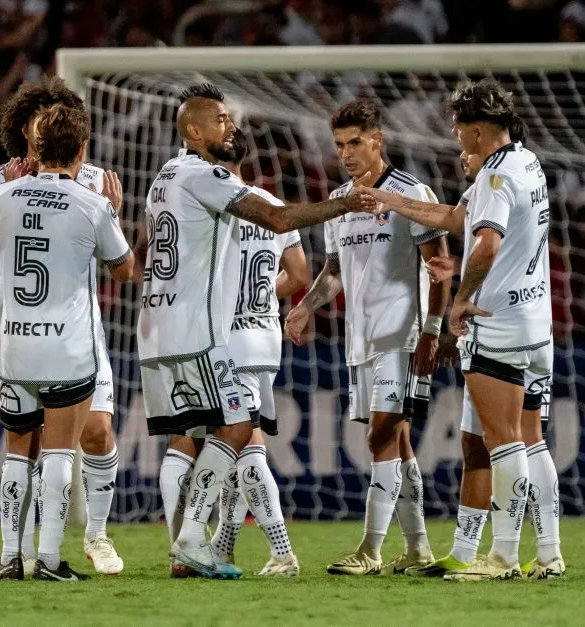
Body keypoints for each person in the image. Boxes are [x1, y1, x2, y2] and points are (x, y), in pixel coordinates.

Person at [139, 82, 375, 579]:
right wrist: (347, 203)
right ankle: (195, 541)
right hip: (201, 330)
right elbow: (279, 218)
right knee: (237, 428)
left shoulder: (166, 175)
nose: (231, 125)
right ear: (194, 129)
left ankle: (193, 541)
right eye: (222, 119)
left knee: (200, 433)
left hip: (162, 327)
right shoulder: (205, 176)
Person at [365, 78, 564, 580]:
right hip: (537, 324)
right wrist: (395, 202)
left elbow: (486, 244)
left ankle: (501, 557)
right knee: (530, 436)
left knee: (501, 439)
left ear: (477, 130)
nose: (454, 137)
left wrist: (461, 301)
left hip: (497, 323)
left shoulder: (496, 178)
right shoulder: (525, 162)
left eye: (458, 128)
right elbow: (456, 216)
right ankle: (549, 554)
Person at [0, 78, 127, 579]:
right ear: (23, 128)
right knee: (38, 443)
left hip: (72, 328)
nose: (44, 128)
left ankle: (93, 533)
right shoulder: (0, 179)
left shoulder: (92, 179)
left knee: (95, 434)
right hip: (34, 331)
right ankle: (36, 553)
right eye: (37, 120)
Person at [283, 101, 449, 576]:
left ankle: (370, 550)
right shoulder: (340, 202)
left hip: (402, 333)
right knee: (397, 442)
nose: (346, 153)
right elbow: (334, 272)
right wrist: (304, 306)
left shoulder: (409, 192)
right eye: (339, 145)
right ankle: (418, 550)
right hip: (361, 339)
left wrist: (432, 331)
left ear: (377, 139)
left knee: (380, 436)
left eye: (355, 142)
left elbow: (439, 268)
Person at [204, 129, 309, 576]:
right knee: (237, 442)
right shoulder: (272, 206)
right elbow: (299, 273)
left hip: (228, 341)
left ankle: (282, 552)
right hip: (265, 337)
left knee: (244, 447)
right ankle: (223, 545)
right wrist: (265, 295)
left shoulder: (212, 204)